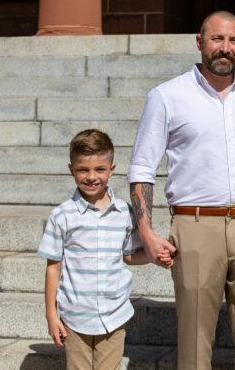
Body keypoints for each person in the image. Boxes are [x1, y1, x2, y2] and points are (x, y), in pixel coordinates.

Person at [127, 11, 235, 369]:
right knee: (194, 342)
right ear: (199, 41)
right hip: (195, 228)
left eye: (234, 41)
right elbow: (142, 168)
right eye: (217, 39)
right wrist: (145, 231)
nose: (226, 48)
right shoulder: (167, 96)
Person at [37, 129, 165, 370]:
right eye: (83, 169)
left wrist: (153, 255)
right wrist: (51, 316)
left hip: (114, 315)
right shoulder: (62, 215)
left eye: (100, 169)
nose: (91, 177)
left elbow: (127, 255)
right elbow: (53, 268)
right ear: (71, 170)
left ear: (112, 169)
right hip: (75, 316)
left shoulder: (125, 213)